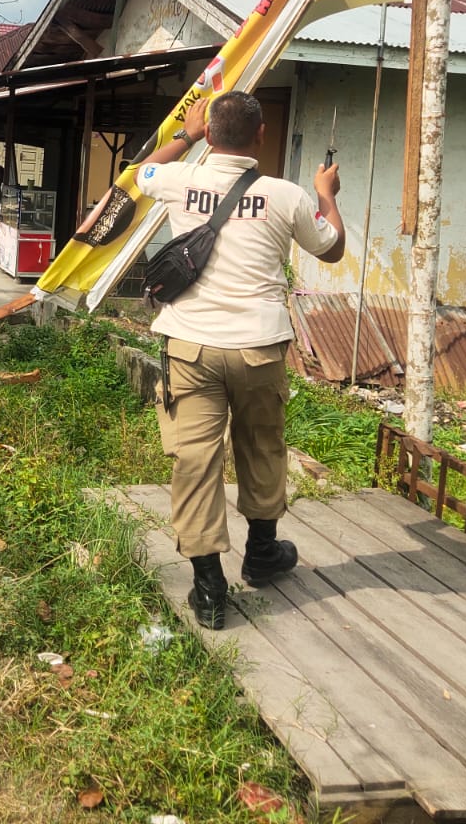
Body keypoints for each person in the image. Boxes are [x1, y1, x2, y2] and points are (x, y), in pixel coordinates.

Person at [138, 92, 344, 630]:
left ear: (209, 134)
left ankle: (208, 588)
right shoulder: (288, 195)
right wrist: (328, 195)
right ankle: (261, 553)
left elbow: (141, 174)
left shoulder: (181, 181)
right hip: (259, 348)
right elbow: (332, 248)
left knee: (195, 460)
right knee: (261, 447)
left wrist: (183, 134)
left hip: (190, 346)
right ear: (261, 136)